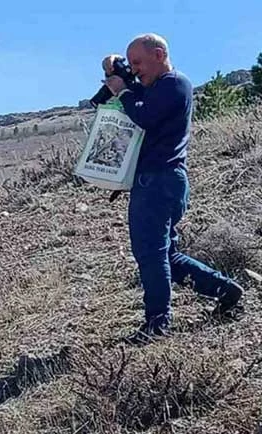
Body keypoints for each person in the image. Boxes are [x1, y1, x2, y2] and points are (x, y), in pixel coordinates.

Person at [102, 33, 244, 344]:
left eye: (138, 62)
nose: (135, 69)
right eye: (132, 64)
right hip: (162, 182)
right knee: (167, 256)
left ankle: (157, 325)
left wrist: (123, 90)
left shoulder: (175, 84)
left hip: (159, 182)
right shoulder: (154, 88)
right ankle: (225, 290)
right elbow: (135, 99)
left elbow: (144, 116)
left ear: (158, 53)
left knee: (151, 256)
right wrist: (115, 72)